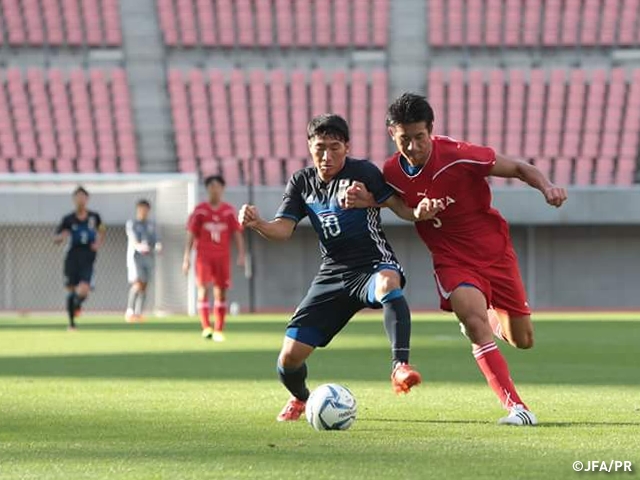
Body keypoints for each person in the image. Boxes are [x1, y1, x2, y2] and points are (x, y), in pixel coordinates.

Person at [345, 93, 568, 426]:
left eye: (420, 138)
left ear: (430, 131)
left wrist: (547, 187)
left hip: (495, 253)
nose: (414, 147)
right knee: (472, 320)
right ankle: (517, 407)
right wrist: (368, 201)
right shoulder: (391, 172)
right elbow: (398, 206)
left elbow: (520, 168)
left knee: (523, 340)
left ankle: (489, 312)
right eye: (405, 139)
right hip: (451, 260)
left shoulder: (459, 156)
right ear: (393, 135)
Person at [239, 114, 435, 422]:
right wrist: (258, 224)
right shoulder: (301, 182)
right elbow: (283, 230)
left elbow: (398, 207)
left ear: (347, 147)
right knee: (288, 360)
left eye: (334, 147)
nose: (327, 156)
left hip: (372, 263)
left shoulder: (364, 172)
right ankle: (304, 399)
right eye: (320, 148)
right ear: (309, 147)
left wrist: (414, 211)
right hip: (332, 274)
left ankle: (400, 367)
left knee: (388, 283)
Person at [183, 175, 245, 342]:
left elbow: (237, 233)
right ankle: (206, 327)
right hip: (203, 256)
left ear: (222, 189)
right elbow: (190, 233)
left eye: (217, 186)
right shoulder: (200, 210)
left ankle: (218, 329)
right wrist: (187, 256)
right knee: (202, 289)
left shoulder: (228, 211)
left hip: (222, 257)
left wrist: (241, 254)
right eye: (211, 186)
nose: (214, 189)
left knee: (221, 292)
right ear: (207, 189)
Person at [53, 186, 106, 331]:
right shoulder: (68, 219)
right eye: (77, 197)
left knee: (83, 290)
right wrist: (61, 237)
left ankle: (76, 305)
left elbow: (102, 230)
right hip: (72, 257)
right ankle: (71, 324)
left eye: (83, 196)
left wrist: (98, 242)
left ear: (87, 199)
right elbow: (57, 236)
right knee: (71, 290)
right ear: (74, 199)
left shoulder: (95, 217)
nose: (80, 199)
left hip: (88, 257)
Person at [125, 199, 162, 322]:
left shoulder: (151, 225)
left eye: (146, 209)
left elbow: (156, 239)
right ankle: (129, 310)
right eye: (142, 209)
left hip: (149, 258)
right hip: (135, 258)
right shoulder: (132, 224)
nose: (144, 212)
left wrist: (158, 245)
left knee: (145, 285)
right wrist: (139, 246)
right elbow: (133, 239)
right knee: (138, 284)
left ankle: (138, 312)